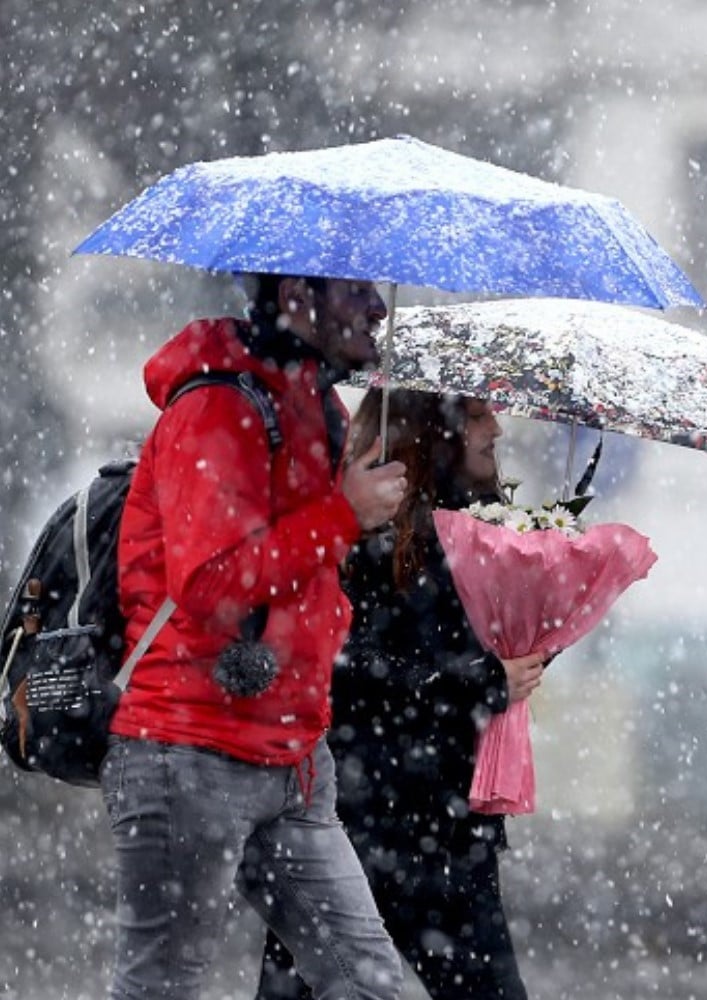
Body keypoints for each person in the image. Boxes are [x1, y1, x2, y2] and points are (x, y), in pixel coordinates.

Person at [105, 274, 411, 999]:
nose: (377, 307)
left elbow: (303, 575)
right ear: (297, 294)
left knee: (369, 984)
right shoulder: (216, 406)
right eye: (354, 290)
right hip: (189, 749)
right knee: (162, 989)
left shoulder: (316, 407)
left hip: (293, 757)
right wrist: (342, 515)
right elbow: (209, 583)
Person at [257, 389, 547, 1000]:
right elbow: (347, 668)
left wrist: (535, 641)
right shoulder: (359, 529)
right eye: (477, 416)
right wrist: (479, 681)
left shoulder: (486, 528)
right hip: (355, 818)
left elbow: (475, 658)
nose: (496, 430)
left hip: (447, 825)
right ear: (432, 429)